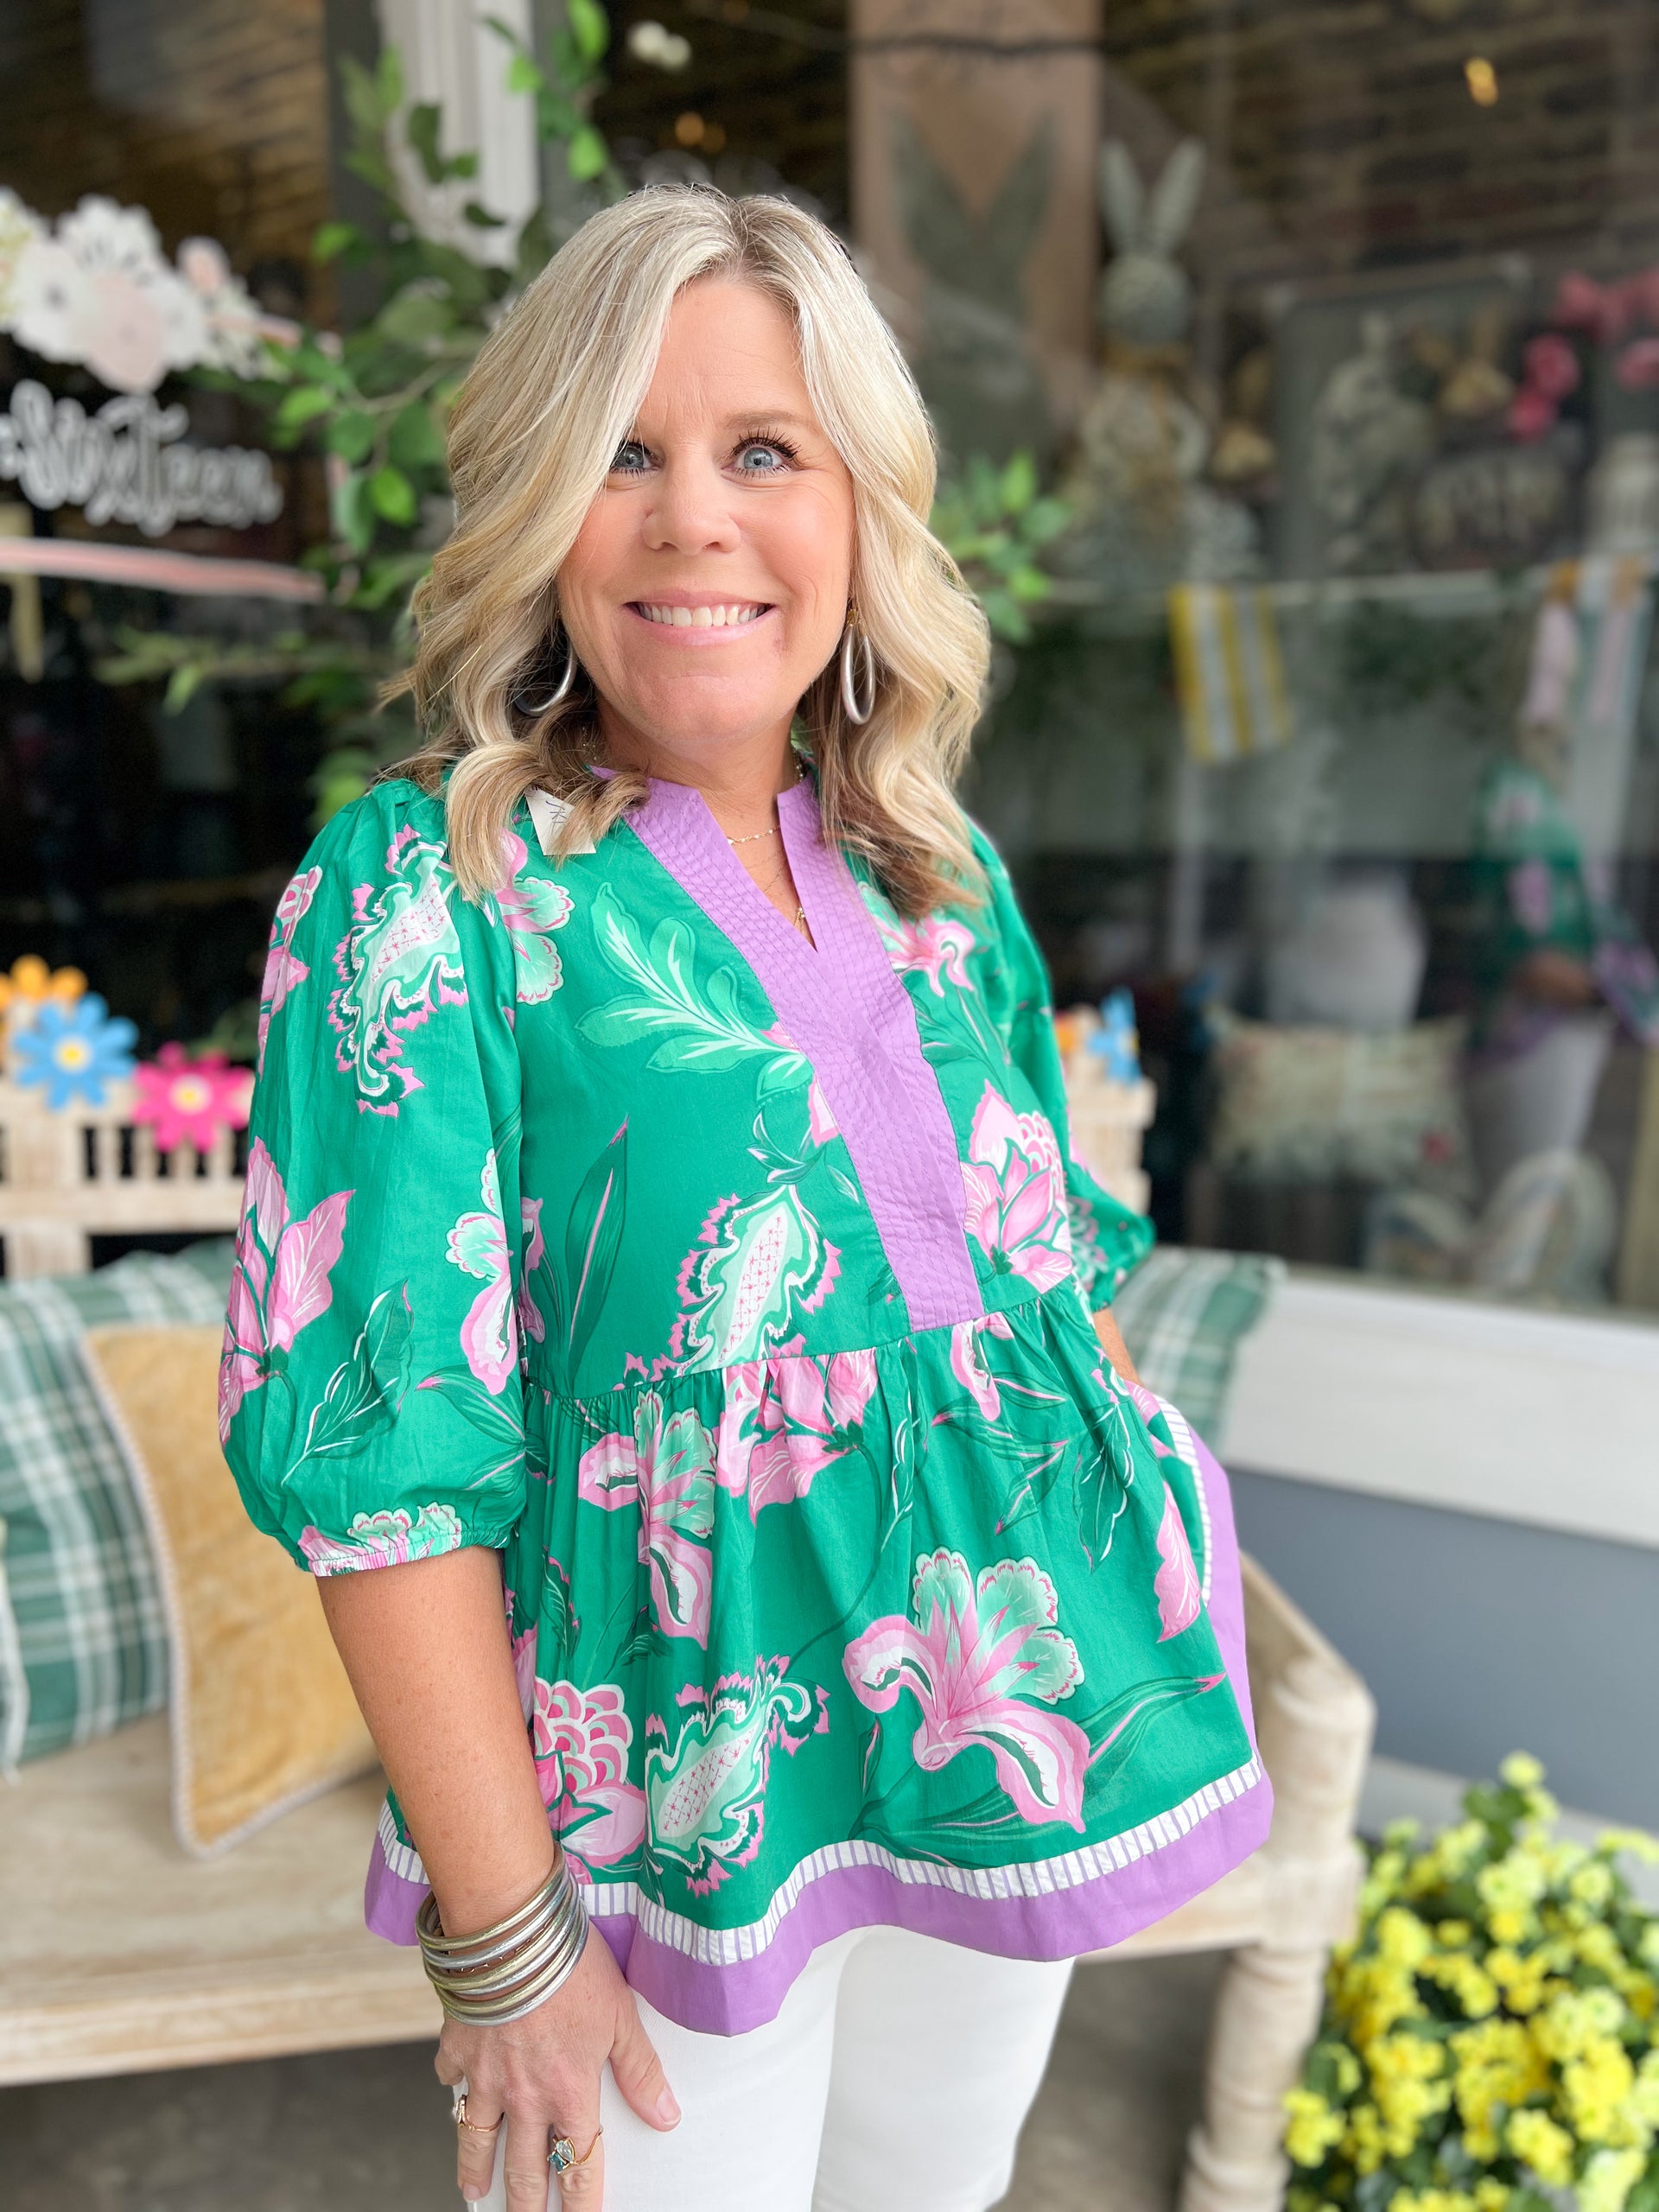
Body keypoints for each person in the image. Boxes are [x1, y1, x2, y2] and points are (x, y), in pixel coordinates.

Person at [220, 186, 1270, 2212]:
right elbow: (384, 1462)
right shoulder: (430, 891)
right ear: (543, 508)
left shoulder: (941, 877)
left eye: (765, 450)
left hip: (1018, 1714)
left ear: (859, 508)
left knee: (937, 2188)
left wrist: (1156, 1517)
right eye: (625, 451)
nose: (695, 516)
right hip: (658, 1803)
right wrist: (508, 1939)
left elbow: (1049, 1280)